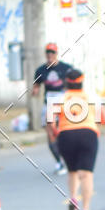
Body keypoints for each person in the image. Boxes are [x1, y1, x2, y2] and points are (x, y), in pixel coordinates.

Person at [53, 70, 99, 210]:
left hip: (66, 135)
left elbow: (51, 123)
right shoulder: (91, 96)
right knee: (86, 174)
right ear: (82, 82)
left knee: (72, 171)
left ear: (66, 82)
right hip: (88, 134)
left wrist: (55, 133)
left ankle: (73, 198)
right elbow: (103, 118)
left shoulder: (59, 98)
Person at [32, 42, 73, 174]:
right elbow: (36, 86)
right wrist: (35, 91)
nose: (50, 55)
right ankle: (58, 162)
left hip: (62, 106)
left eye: (52, 53)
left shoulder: (66, 68)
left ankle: (68, 157)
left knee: (63, 133)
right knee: (50, 134)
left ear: (56, 54)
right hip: (48, 104)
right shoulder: (40, 70)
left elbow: (74, 83)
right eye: (48, 53)